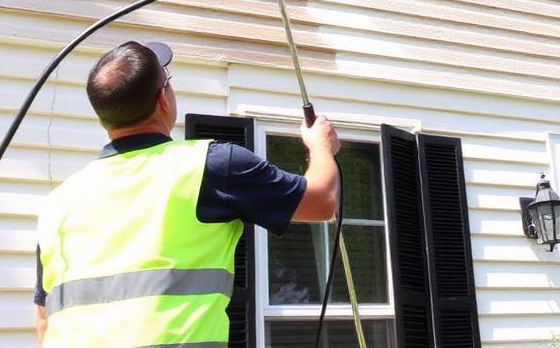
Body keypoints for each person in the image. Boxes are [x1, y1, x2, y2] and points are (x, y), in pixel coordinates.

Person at [34, 40, 339, 347]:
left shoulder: (58, 203)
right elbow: (322, 200)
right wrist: (320, 146)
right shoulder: (210, 165)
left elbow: (44, 319)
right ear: (163, 100)